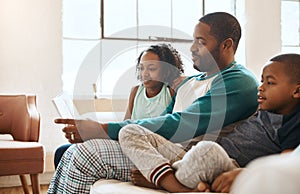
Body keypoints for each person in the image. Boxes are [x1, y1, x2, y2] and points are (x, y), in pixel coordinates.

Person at [47, 12, 259, 193]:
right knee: (73, 151)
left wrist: (103, 129)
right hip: (160, 149)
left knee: (85, 156)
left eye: (201, 42)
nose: (192, 48)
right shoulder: (190, 82)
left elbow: (183, 124)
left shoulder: (238, 81)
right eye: (193, 40)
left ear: (227, 45)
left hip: (187, 156)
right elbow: (163, 119)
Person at [119, 53, 300, 193]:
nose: (261, 87)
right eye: (262, 81)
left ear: (296, 91)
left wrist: (243, 174)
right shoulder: (264, 110)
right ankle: (169, 178)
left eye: (270, 83)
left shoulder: (293, 122)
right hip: (192, 158)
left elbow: (285, 165)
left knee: (207, 149)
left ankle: (166, 182)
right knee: (130, 131)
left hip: (225, 165)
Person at [53, 43, 185, 168]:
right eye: (141, 68)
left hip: (147, 150)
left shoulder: (171, 91)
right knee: (62, 151)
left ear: (166, 71)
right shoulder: (136, 92)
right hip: (129, 144)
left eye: (151, 68)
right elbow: (124, 125)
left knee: (71, 152)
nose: (144, 73)